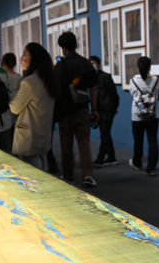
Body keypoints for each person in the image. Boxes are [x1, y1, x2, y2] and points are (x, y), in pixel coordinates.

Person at [53, 31, 98, 186]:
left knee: (66, 143)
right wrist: (94, 109)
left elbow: (55, 90)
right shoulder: (85, 63)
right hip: (82, 108)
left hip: (64, 111)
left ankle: (68, 175)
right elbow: (93, 88)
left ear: (63, 47)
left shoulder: (59, 66)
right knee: (84, 142)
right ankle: (87, 175)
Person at [9, 43, 57, 170]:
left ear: (34, 59)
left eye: (25, 55)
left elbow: (15, 108)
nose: (22, 59)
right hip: (43, 132)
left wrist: (12, 98)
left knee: (32, 170)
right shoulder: (48, 78)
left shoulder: (29, 82)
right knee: (43, 165)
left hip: (29, 135)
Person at [127, 56, 159, 176]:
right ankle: (151, 168)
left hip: (137, 115)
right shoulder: (156, 80)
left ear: (138, 67)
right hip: (153, 115)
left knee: (138, 141)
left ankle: (137, 163)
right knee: (152, 141)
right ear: (150, 67)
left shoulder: (133, 81)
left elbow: (132, 94)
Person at [91, 55, 119, 166]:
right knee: (105, 133)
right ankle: (112, 157)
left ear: (98, 65)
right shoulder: (91, 79)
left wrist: (114, 108)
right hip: (98, 111)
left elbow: (114, 94)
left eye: (94, 64)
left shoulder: (106, 77)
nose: (92, 66)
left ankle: (100, 158)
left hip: (107, 109)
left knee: (104, 134)